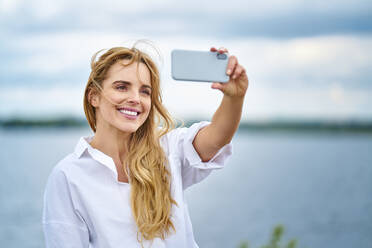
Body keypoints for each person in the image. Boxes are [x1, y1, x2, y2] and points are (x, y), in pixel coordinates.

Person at [42, 43, 249, 248]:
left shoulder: (168, 149)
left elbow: (217, 137)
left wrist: (234, 97)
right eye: (121, 87)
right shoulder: (68, 176)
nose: (135, 99)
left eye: (145, 91)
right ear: (93, 96)